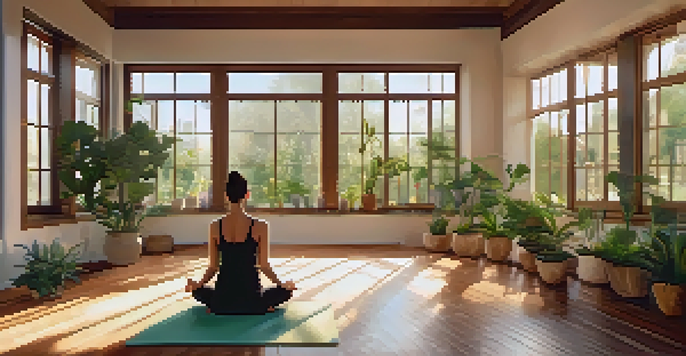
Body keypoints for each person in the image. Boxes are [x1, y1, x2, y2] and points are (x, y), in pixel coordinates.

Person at [185, 171, 296, 315]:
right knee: (286, 293)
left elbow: (213, 267)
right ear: (247, 195)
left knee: (199, 293)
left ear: (226, 196)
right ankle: (262, 306)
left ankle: (215, 305)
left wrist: (198, 285)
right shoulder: (261, 226)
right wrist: (282, 285)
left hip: (221, 301)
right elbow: (264, 266)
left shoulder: (214, 226)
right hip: (252, 301)